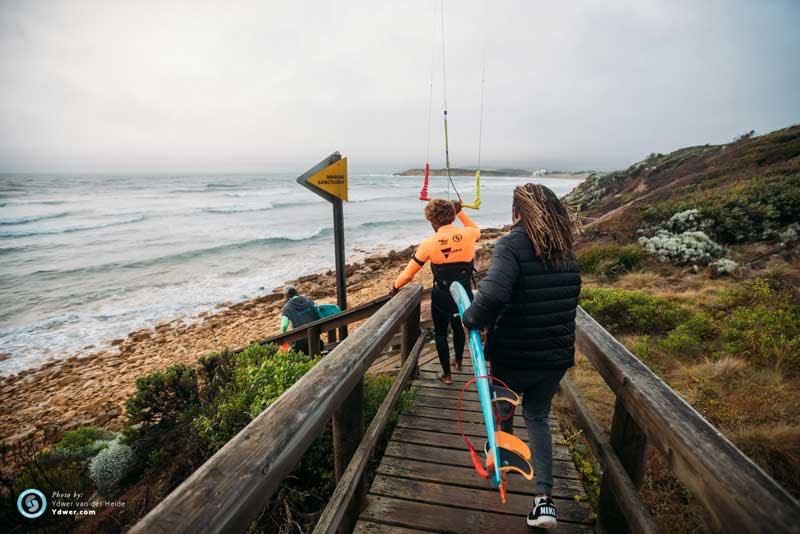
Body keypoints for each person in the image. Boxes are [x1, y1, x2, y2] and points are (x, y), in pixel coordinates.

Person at [461, 183, 581, 529]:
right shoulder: (564, 248)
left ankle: (502, 468)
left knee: (503, 408)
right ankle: (544, 502)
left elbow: (495, 294)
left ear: (517, 212)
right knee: (538, 417)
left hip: (513, 353)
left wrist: (471, 319)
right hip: (554, 356)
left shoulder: (511, 244)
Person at [392, 199, 480, 384]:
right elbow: (474, 227)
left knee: (440, 332)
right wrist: (460, 211)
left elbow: (408, 274)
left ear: (431, 220)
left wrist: (395, 287)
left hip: (442, 295)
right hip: (464, 294)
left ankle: (447, 375)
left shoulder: (429, 243)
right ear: (452, 216)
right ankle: (458, 361)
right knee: (458, 326)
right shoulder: (469, 234)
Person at [280, 285, 321, 354]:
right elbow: (318, 313)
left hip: (300, 347)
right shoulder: (308, 300)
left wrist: (284, 337)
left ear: (286, 295)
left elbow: (284, 326)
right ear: (296, 292)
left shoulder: (287, 307)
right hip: (317, 342)